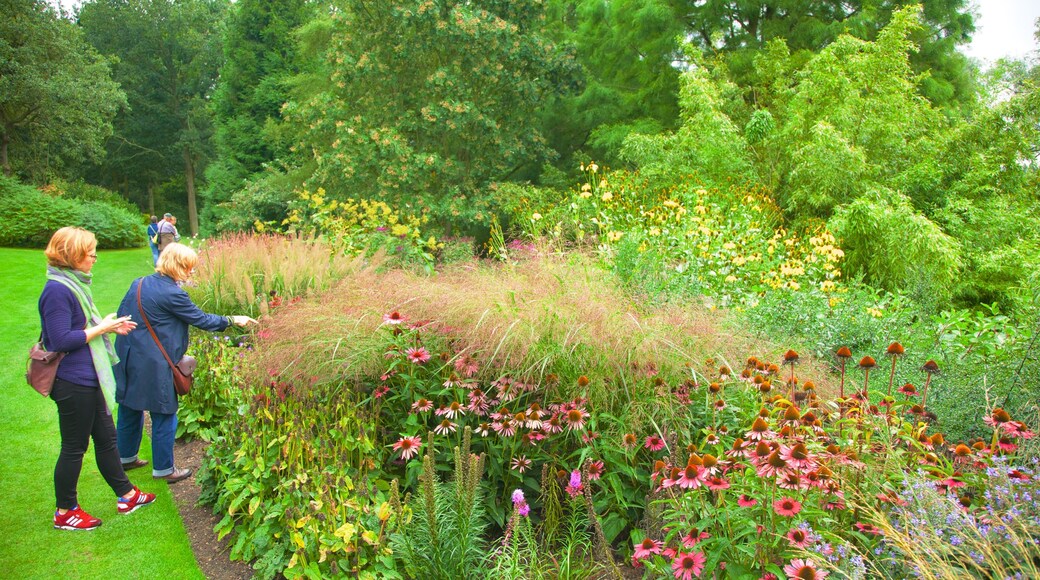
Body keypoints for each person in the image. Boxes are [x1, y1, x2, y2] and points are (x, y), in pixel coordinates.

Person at [38, 227, 157, 531]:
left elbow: (78, 328)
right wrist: (102, 329)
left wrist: (106, 325)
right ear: (71, 255)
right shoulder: (57, 290)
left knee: (106, 440)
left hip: (89, 378)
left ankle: (127, 495)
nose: (94, 258)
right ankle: (65, 511)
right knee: (74, 447)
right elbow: (59, 340)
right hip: (72, 381)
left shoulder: (74, 285)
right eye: (89, 253)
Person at [114, 243, 256, 483]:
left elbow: (123, 315)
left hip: (129, 355)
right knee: (164, 412)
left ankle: (125, 458)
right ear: (176, 265)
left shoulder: (138, 283)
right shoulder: (172, 293)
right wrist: (234, 319)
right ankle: (165, 470)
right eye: (189, 268)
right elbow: (201, 319)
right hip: (155, 363)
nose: (191, 273)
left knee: (130, 407)